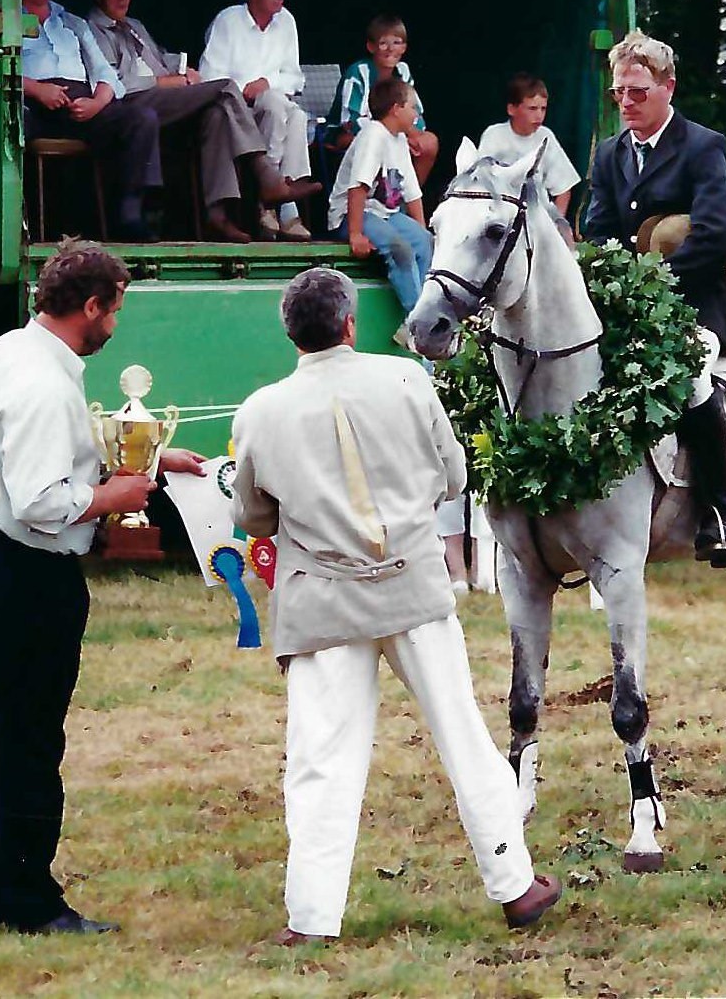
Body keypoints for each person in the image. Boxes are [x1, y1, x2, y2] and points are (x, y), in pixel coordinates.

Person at [229, 266, 562, 945]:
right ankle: (513, 884)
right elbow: (454, 477)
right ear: (349, 323)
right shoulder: (409, 380)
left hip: (321, 601)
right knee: (464, 736)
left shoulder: (259, 409)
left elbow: (255, 517)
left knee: (322, 758)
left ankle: (312, 917)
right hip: (412, 585)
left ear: (292, 334)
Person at [0, 240, 206, 934]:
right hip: (24, 565)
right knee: (30, 738)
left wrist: (149, 455)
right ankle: (30, 902)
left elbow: (51, 454)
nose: (115, 324)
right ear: (90, 305)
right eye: (115, 309)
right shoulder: (42, 383)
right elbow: (41, 497)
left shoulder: (13, 350)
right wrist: (112, 493)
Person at [583, 30, 726, 567]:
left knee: (692, 377)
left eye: (637, 91)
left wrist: (656, 280)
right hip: (629, 306)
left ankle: (720, 513)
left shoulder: (702, 146)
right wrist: (612, 281)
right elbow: (600, 231)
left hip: (695, 304)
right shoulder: (609, 155)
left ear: (667, 88)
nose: (626, 102)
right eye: (619, 93)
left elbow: (716, 235)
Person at [83, 0, 320, 243]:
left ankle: (217, 214)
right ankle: (264, 173)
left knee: (218, 112)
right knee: (226, 87)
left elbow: (161, 58)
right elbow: (114, 82)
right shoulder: (91, 29)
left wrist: (184, 69)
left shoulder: (134, 25)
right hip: (133, 104)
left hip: (168, 98)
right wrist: (167, 82)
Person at [5, 0, 164, 242]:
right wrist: (38, 90)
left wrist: (97, 102)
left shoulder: (73, 22)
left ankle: (130, 215)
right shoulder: (2, 19)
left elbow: (106, 73)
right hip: (30, 102)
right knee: (8, 125)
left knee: (141, 118)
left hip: (80, 103)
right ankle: (16, 223)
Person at [198, 0, 318, 240]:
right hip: (234, 109)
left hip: (273, 104)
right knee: (277, 107)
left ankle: (278, 209)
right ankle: (279, 204)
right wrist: (245, 89)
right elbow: (209, 75)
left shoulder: (287, 21)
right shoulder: (228, 21)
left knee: (293, 114)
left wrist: (267, 84)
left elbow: (295, 77)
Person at [329, 77, 432, 337]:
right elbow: (357, 188)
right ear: (396, 108)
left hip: (385, 214)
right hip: (352, 214)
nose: (416, 114)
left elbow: (412, 192)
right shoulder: (373, 135)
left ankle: (416, 319)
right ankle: (417, 321)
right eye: (412, 108)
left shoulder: (398, 139)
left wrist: (421, 232)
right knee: (400, 250)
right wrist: (355, 234)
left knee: (424, 242)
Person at [330, 14, 441, 189]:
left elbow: (415, 113)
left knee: (429, 142)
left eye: (396, 43)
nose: (390, 49)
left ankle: (404, 201)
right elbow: (350, 121)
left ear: (404, 47)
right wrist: (392, 134)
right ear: (371, 47)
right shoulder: (359, 72)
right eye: (383, 43)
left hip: (397, 132)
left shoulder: (403, 71)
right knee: (384, 143)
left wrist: (411, 134)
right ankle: (379, 200)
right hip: (351, 135)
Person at [477, 72, 583, 245]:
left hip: (537, 220)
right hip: (501, 220)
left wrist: (556, 223)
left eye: (543, 109)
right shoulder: (494, 135)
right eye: (532, 109)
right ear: (512, 109)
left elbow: (563, 188)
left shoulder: (546, 136)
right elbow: (481, 181)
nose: (539, 115)